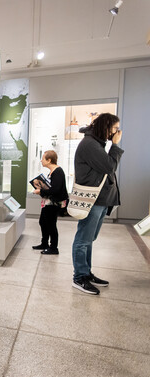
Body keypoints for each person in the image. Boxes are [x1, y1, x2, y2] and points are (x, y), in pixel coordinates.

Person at [71, 113, 124, 295]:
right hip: (92, 199)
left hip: (100, 199)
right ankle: (79, 277)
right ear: (106, 126)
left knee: (89, 239)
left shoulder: (96, 143)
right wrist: (115, 145)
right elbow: (109, 166)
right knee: (83, 239)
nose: (117, 132)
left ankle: (86, 272)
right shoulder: (90, 144)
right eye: (115, 128)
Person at [32, 150, 69, 254]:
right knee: (43, 222)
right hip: (49, 202)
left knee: (51, 224)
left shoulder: (58, 172)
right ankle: (44, 243)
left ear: (49, 160)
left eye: (43, 158)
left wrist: (41, 191)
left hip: (54, 203)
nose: (41, 160)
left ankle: (53, 248)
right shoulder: (53, 172)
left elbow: (55, 190)